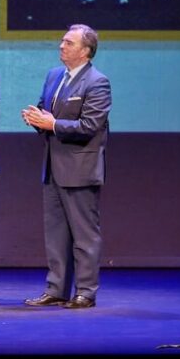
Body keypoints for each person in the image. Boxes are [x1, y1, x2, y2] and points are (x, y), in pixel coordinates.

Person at [21, 24, 111, 309]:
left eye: (68, 43)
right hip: (52, 168)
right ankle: (56, 289)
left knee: (84, 235)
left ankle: (85, 292)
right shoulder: (53, 76)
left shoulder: (97, 82)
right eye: (62, 41)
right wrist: (37, 119)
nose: (61, 46)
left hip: (80, 170)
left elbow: (90, 126)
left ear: (85, 51)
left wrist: (53, 124)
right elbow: (44, 111)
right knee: (56, 235)